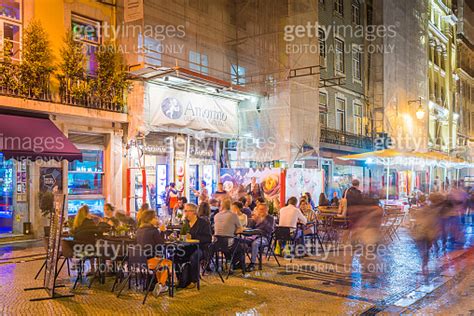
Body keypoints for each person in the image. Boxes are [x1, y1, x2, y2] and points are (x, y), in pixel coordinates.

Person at [176, 203, 212, 289]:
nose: (185, 213)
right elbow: (183, 236)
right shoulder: (186, 223)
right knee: (175, 255)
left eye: (187, 211)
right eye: (185, 211)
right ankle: (181, 279)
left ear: (194, 212)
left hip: (201, 248)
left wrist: (193, 237)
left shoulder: (203, 223)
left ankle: (194, 280)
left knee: (194, 257)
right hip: (188, 247)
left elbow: (208, 238)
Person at [136, 210, 171, 296]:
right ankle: (161, 285)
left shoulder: (139, 230)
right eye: (155, 217)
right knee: (168, 263)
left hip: (139, 261)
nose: (157, 219)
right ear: (150, 219)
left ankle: (159, 283)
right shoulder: (154, 230)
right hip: (148, 261)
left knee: (160, 261)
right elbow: (161, 244)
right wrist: (162, 231)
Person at [246, 202, 275, 271]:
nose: (261, 211)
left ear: (266, 210)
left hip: (264, 238)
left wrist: (261, 221)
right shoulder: (256, 217)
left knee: (255, 244)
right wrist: (253, 221)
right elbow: (250, 229)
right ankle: (239, 262)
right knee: (241, 241)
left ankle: (252, 263)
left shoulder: (270, 218)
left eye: (262, 209)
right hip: (254, 236)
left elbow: (269, 229)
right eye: (259, 209)